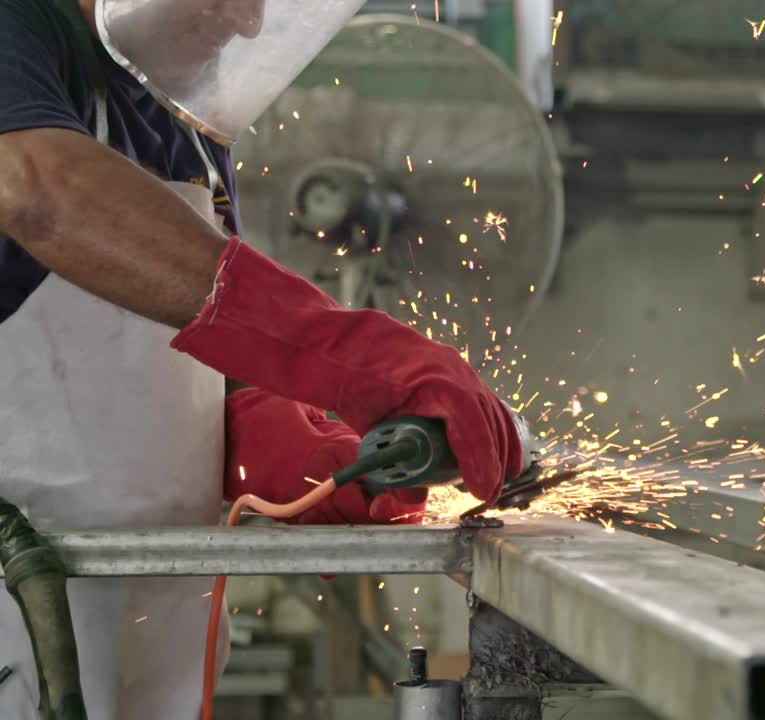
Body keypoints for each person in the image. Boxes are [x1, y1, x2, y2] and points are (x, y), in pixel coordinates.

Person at [0, 0, 526, 717]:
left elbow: (186, 376)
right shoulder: (23, 29)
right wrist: (343, 351)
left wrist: (309, 455)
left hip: (147, 641)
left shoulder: (189, 133)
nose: (249, 26)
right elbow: (38, 191)